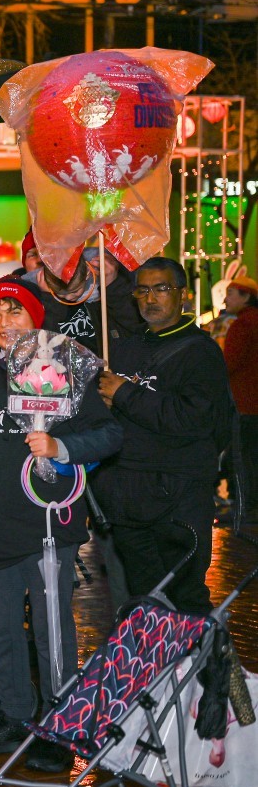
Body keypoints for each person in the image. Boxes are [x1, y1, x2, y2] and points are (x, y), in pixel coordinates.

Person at [0, 280, 122, 771]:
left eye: (15, 313)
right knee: (0, 627)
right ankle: (14, 716)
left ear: (37, 320)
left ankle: (59, 726)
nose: (5, 324)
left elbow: (111, 435)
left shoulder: (63, 373)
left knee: (52, 631)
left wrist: (60, 449)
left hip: (51, 524)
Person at [96, 257, 234, 614]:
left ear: (182, 295)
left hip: (178, 497)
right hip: (128, 497)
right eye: (142, 290)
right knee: (144, 599)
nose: (150, 298)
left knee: (185, 598)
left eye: (161, 289)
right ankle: (155, 670)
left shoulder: (201, 352)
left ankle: (202, 670)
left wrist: (125, 394)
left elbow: (193, 419)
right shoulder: (124, 349)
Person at [31, 246, 144, 351]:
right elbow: (45, 342)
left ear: (88, 274)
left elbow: (132, 325)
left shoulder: (100, 296)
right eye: (60, 293)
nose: (69, 297)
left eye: (75, 290)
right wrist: (48, 299)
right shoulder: (45, 300)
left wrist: (112, 286)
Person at [223, 275, 258, 519]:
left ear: (246, 297)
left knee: (240, 456)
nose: (226, 299)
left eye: (231, 293)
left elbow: (229, 363)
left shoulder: (243, 325)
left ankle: (243, 507)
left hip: (243, 401)